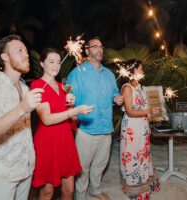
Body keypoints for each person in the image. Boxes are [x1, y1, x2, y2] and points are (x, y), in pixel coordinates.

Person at [0, 34, 43, 200]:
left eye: (26, 51)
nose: (26, 54)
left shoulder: (26, 90)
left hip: (26, 169)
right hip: (1, 175)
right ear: (5, 56)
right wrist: (21, 108)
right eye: (19, 50)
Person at [30, 48, 93, 200]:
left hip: (65, 140)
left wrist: (72, 106)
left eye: (58, 62)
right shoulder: (37, 85)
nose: (56, 65)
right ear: (41, 63)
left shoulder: (62, 86)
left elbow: (72, 118)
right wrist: (74, 110)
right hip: (47, 142)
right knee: (47, 191)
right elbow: (47, 119)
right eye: (51, 61)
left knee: (69, 190)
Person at [67, 37, 124, 200]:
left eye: (101, 46)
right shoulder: (77, 73)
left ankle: (96, 190)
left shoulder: (109, 74)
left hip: (106, 128)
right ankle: (81, 196)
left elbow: (115, 92)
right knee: (82, 168)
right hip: (86, 129)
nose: (100, 50)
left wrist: (116, 98)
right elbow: (69, 100)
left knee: (100, 165)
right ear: (87, 51)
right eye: (95, 46)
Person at [119, 59, 160, 200]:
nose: (142, 71)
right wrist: (148, 111)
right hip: (132, 127)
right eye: (140, 69)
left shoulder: (139, 87)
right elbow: (130, 111)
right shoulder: (127, 88)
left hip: (141, 126)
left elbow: (142, 108)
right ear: (132, 70)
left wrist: (152, 113)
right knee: (133, 156)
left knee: (142, 155)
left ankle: (144, 184)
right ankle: (134, 189)